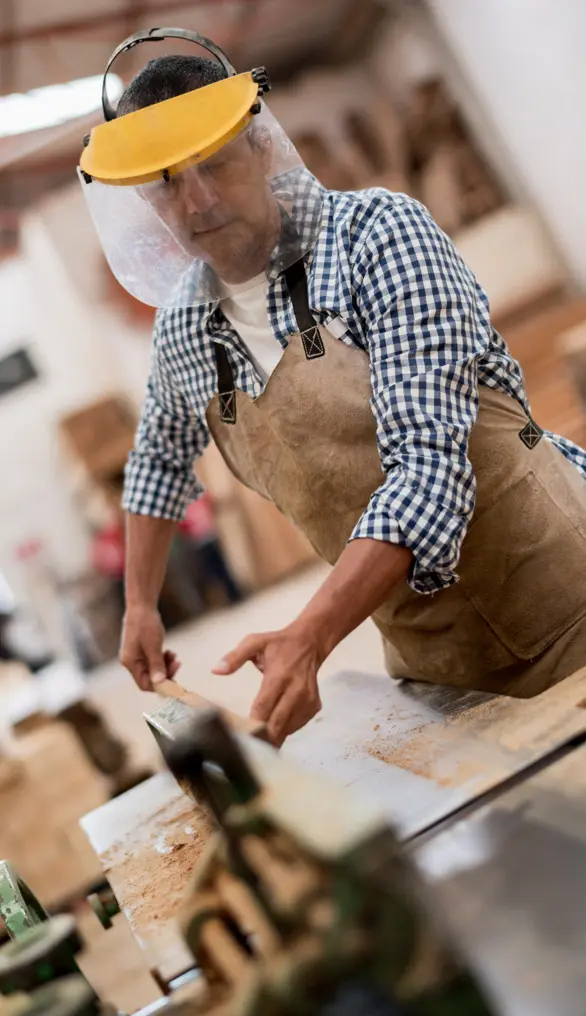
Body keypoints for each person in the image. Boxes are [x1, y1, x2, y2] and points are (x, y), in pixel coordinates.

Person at [79, 29, 586, 746]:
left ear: (258, 146)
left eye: (214, 163)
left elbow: (430, 472)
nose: (197, 202)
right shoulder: (184, 329)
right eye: (166, 182)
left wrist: (310, 634)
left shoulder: (378, 236)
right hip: (439, 673)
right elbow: (158, 463)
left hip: (569, 608)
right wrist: (138, 605)